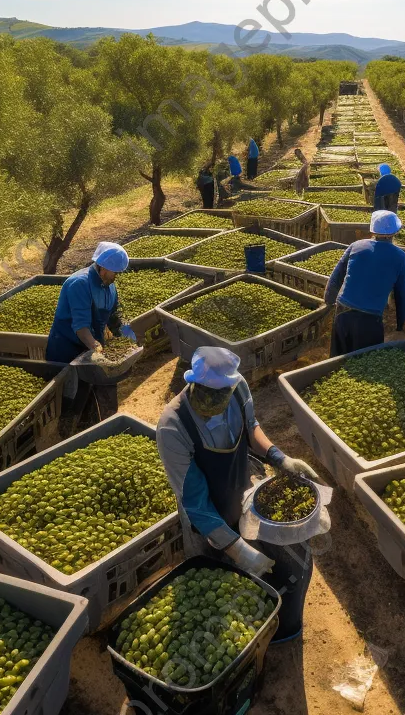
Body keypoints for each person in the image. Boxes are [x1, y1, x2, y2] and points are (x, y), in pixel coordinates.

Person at [156, 347, 319, 576]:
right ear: (192, 382)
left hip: (240, 492)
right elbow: (195, 501)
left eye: (221, 393)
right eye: (205, 392)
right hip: (205, 518)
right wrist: (240, 552)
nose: (214, 401)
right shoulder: (173, 426)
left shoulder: (238, 387)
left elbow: (250, 427)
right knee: (216, 572)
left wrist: (278, 458)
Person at [46, 241, 138, 425]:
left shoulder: (109, 285)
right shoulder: (79, 284)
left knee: (100, 389)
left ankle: (97, 427)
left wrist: (128, 334)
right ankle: (68, 432)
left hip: (92, 346)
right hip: (68, 349)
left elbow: (114, 316)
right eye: (115, 272)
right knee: (73, 396)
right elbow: (81, 327)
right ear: (102, 267)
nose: (117, 276)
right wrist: (96, 347)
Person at [324, 210, 405, 356]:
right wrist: (401, 324)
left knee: (336, 362)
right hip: (369, 319)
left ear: (373, 230)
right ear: (394, 232)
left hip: (343, 311)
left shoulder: (356, 246)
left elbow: (336, 277)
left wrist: (329, 300)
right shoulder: (400, 257)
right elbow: (402, 295)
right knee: (365, 364)